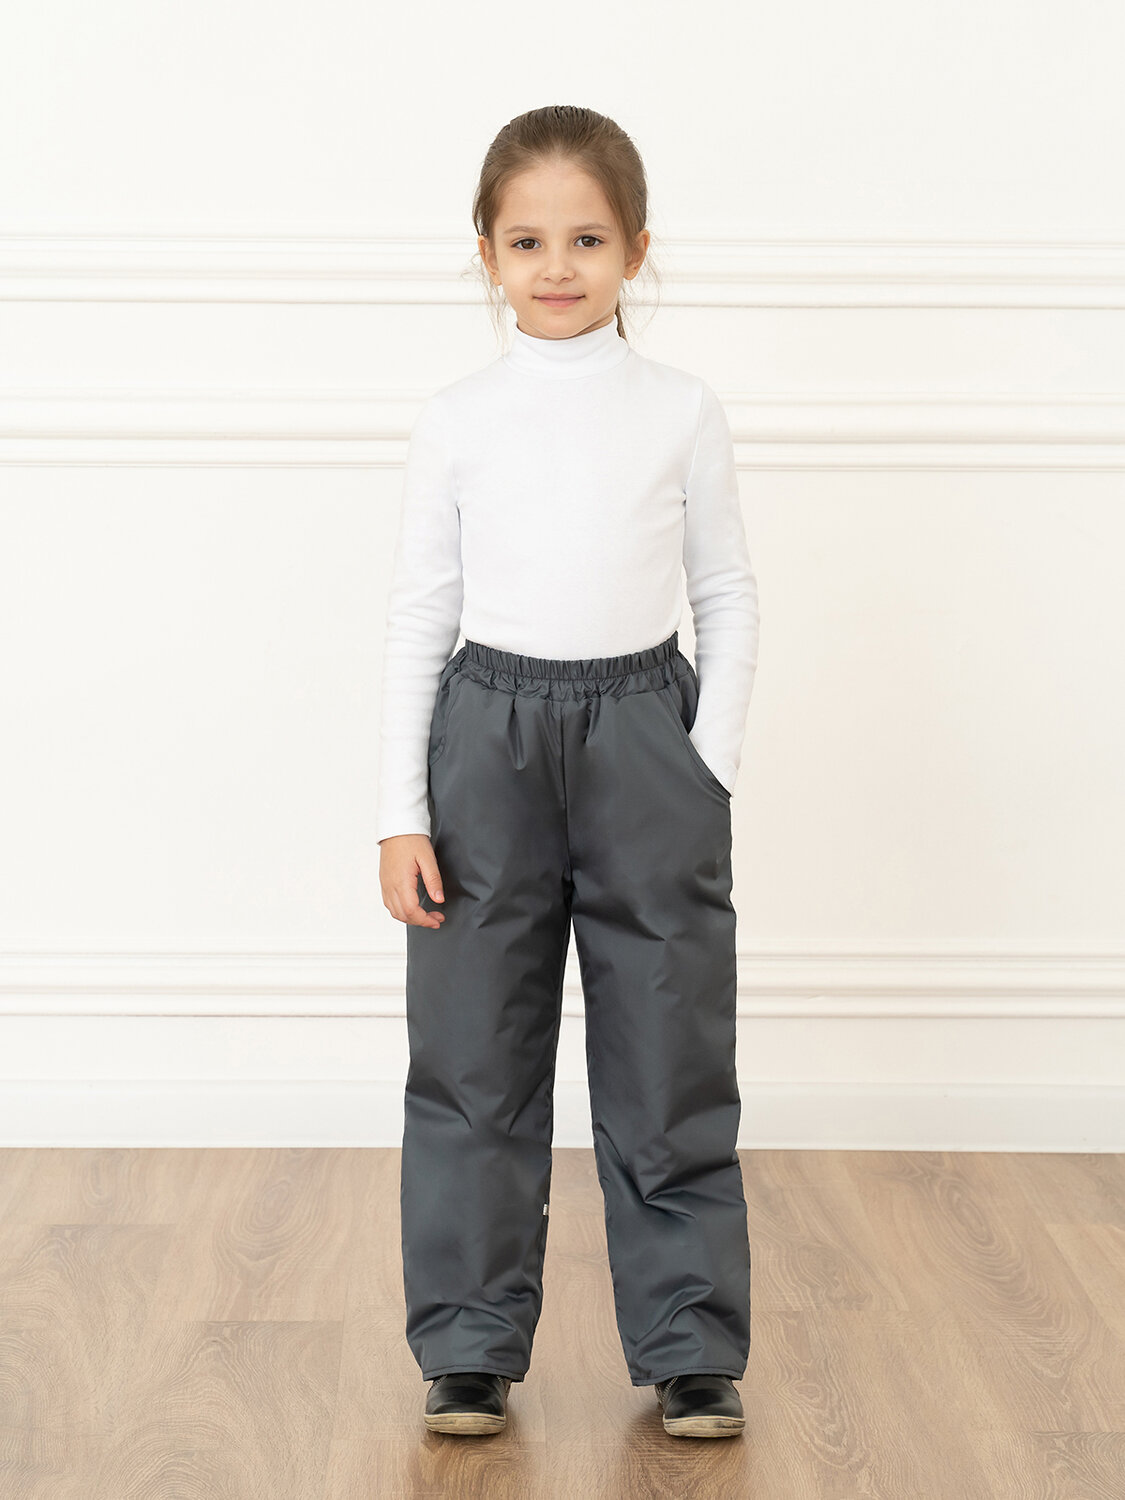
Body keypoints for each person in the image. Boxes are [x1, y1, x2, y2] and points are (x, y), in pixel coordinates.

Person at [377, 104, 759, 1441]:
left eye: (587, 239)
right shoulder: (458, 419)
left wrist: (705, 765)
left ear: (635, 249)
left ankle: (690, 1344)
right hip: (485, 735)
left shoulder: (680, 410)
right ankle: (468, 1343)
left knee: (669, 1045)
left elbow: (725, 590)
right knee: (473, 1050)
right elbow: (420, 615)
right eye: (528, 240)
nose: (557, 265)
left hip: (643, 732)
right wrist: (399, 811)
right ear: (486, 251)